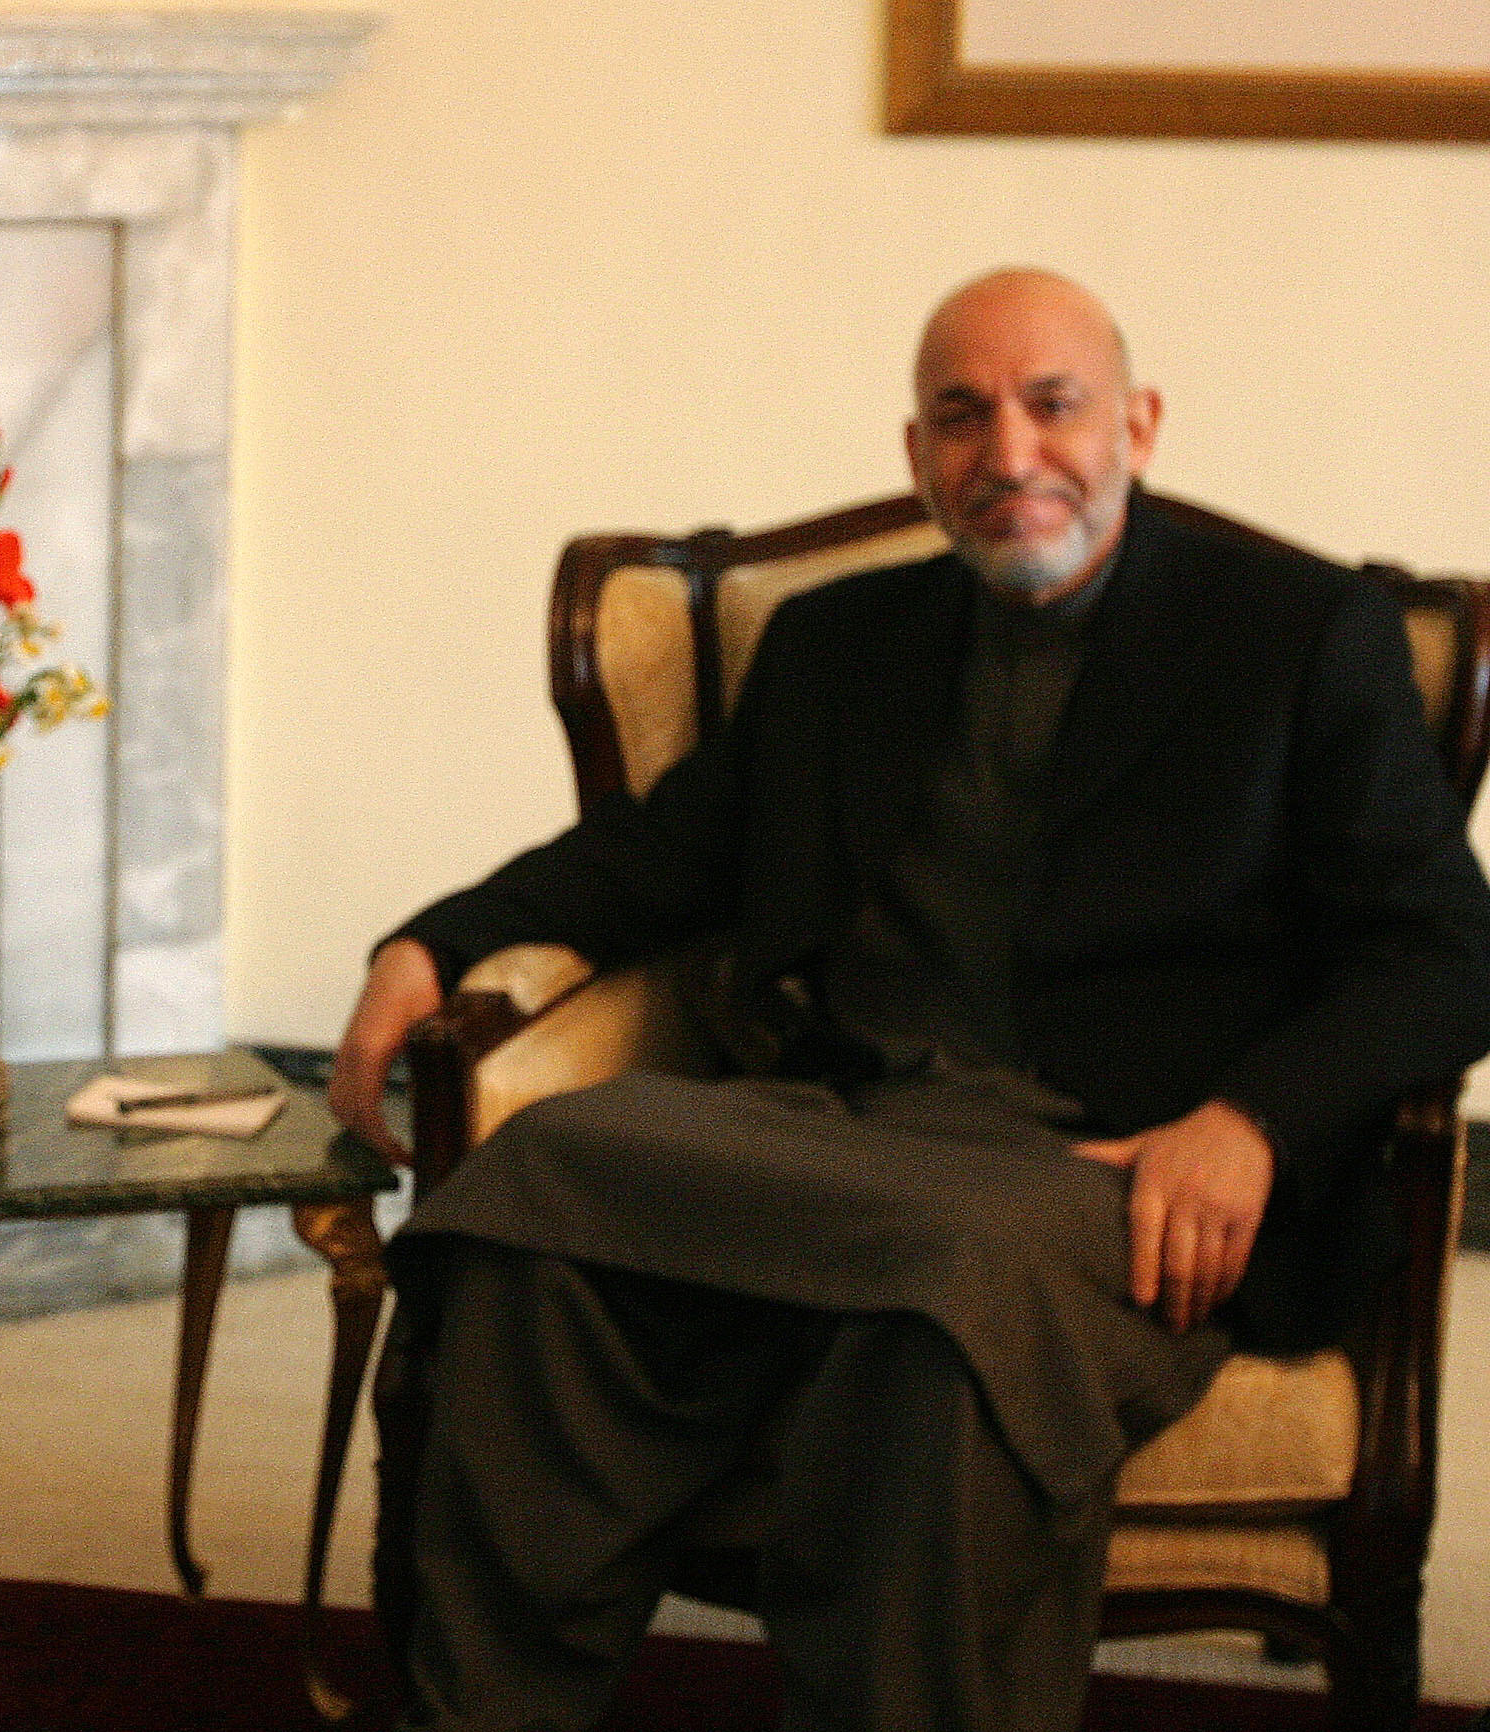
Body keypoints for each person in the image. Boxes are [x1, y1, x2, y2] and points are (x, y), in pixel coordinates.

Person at [327, 269, 1490, 1732]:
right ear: (917, 454)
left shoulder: (1301, 635)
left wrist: (1252, 1124)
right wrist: (428, 947)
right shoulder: (836, 644)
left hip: (1113, 1166)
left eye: (1050, 404)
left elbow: (1447, 948)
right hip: (847, 1120)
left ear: (1136, 420)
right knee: (529, 1190)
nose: (1008, 454)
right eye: (961, 416)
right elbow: (655, 857)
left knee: (945, 1304)